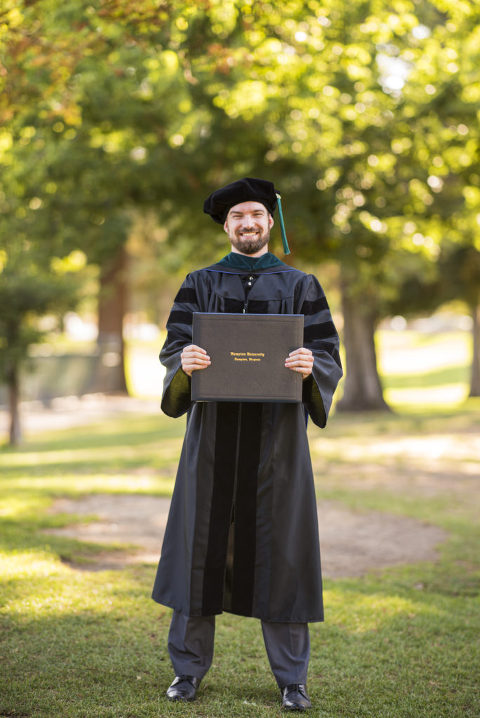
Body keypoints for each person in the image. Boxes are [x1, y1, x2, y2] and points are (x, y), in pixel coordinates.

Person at [152, 177, 343, 711]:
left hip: (277, 444)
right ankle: (186, 673)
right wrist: (183, 364)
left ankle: (292, 679)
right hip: (212, 440)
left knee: (282, 550)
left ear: (270, 220)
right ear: (227, 225)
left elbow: (327, 352)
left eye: (257, 213)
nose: (249, 223)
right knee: (198, 548)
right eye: (238, 216)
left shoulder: (302, 285)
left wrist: (312, 368)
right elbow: (173, 346)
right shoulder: (199, 281)